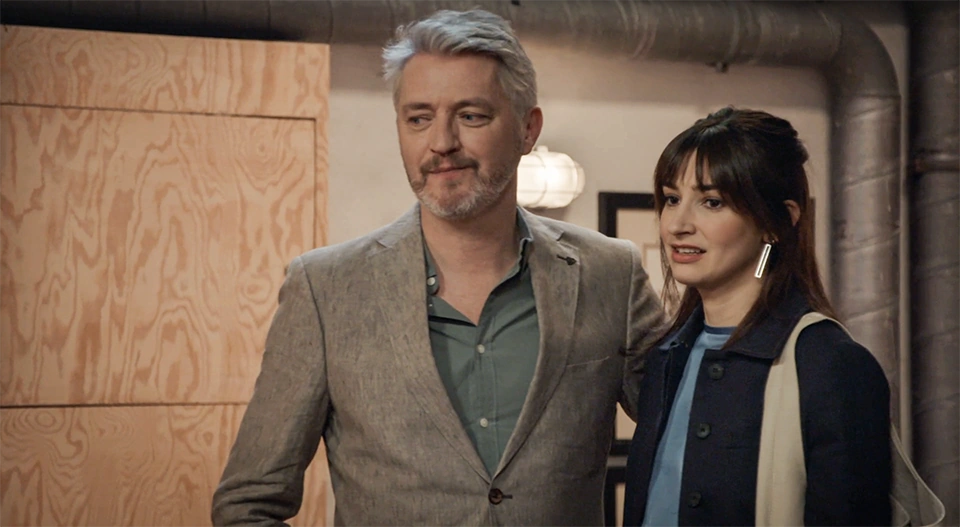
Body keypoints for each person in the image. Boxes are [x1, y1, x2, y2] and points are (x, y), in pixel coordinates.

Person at [211, 9, 666, 527]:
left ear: (527, 129)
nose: (442, 142)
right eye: (419, 118)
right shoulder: (324, 289)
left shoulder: (610, 273)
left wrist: (745, 273)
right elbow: (247, 505)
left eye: (471, 116)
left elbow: (697, 435)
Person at [622, 107, 892, 526]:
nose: (677, 224)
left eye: (711, 202)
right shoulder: (665, 358)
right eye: (672, 199)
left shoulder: (830, 364)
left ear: (776, 223)